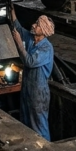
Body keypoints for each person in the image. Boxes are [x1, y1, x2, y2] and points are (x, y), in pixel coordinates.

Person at [9, 11, 55, 141]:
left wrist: (18, 43)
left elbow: (30, 62)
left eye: (38, 25)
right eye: (36, 23)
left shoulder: (46, 48)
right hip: (28, 90)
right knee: (26, 122)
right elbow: (18, 29)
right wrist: (12, 11)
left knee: (39, 125)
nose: (34, 25)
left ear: (44, 32)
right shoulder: (32, 39)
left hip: (38, 94)